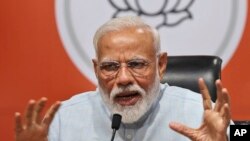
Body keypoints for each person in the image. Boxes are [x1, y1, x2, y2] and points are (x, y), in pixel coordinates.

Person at [14, 16, 231, 141]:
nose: (124, 79)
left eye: (136, 64)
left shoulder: (200, 113)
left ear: (161, 65)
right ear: (96, 69)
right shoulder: (63, 120)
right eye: (110, 67)